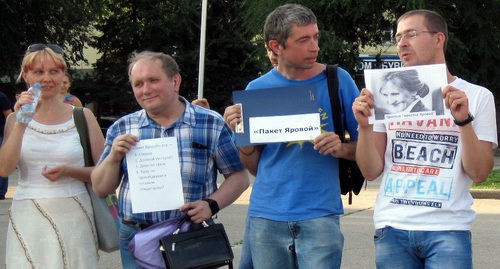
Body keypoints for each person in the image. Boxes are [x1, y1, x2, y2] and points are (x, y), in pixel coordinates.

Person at [353, 9, 497, 269]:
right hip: (392, 227)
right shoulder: (386, 94)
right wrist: (364, 127)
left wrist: (463, 122)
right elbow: (371, 171)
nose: (402, 43)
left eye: (411, 34)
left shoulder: (477, 96)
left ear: (438, 39)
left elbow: (479, 172)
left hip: (448, 228)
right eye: (398, 37)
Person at [223, 4, 360, 268]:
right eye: (304, 40)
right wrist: (242, 136)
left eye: (316, 37)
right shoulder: (257, 88)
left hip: (320, 212)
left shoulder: (337, 79)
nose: (315, 47)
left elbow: (369, 151)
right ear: (276, 46)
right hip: (267, 214)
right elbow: (254, 166)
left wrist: (342, 148)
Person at [90, 51, 250, 269]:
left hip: (191, 234)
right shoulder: (123, 127)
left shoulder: (209, 123)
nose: (145, 90)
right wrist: (113, 157)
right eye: (138, 84)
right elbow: (100, 187)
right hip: (138, 234)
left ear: (175, 81)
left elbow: (239, 177)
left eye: (153, 80)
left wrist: (211, 205)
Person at [0, 44, 104, 268]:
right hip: (28, 216)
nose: (46, 78)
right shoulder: (13, 121)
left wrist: (70, 171)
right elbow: (5, 169)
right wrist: (21, 122)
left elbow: (106, 173)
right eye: (38, 72)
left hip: (75, 215)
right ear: (26, 75)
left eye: (54, 72)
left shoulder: (83, 116)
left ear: (63, 75)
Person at [0, 91, 13, 200]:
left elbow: (9, 115)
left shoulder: (2, 97)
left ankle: (1, 191)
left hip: (0, 135)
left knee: (2, 163)